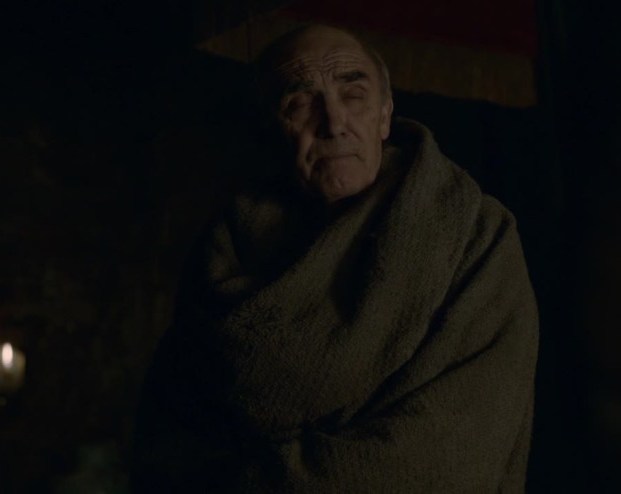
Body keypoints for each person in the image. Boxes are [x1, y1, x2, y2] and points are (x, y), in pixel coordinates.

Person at [132, 25, 538, 493]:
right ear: (269, 129)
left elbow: (450, 455)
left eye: (354, 95)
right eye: (300, 103)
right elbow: (175, 445)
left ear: (385, 116)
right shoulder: (225, 256)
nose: (333, 122)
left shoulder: (474, 234)